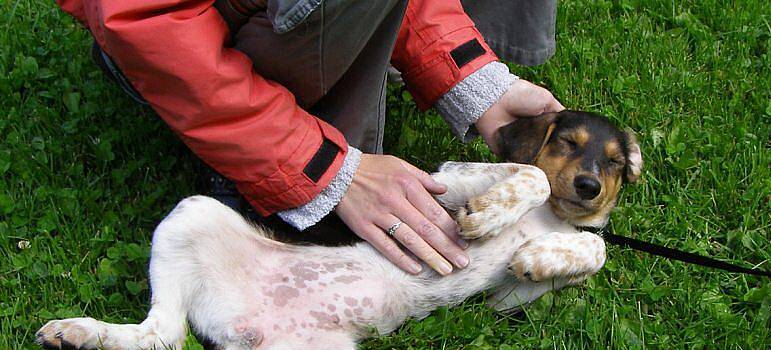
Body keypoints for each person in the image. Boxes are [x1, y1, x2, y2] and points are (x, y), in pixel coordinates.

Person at [56, 0, 562, 275]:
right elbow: (146, 19)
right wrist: (329, 170)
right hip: (164, 38)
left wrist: (468, 77)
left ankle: (340, 59)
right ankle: (280, 156)